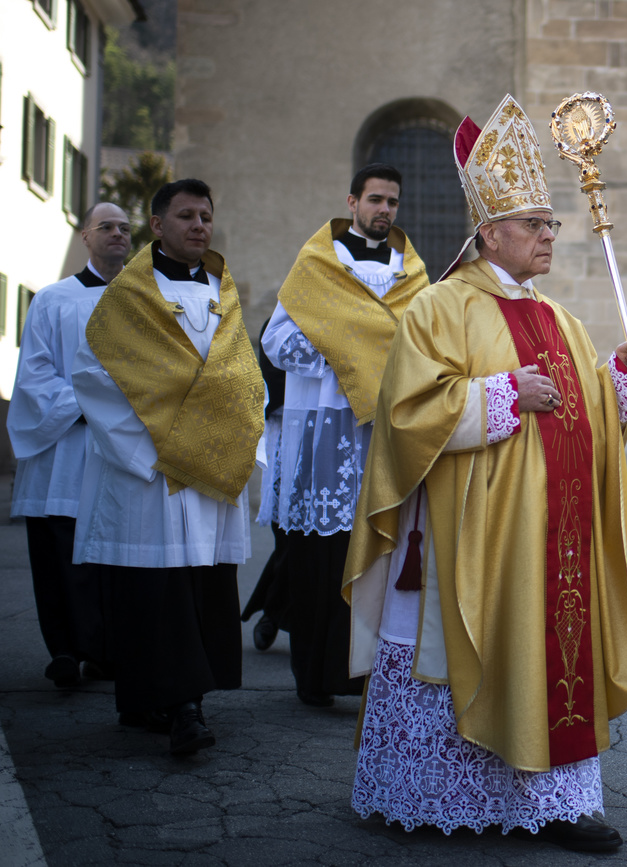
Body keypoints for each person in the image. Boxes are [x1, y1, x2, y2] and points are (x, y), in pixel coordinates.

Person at [344, 94, 627, 853]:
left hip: (555, 537)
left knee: (555, 654)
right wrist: (506, 393)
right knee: (470, 648)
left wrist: (617, 380)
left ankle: (558, 802)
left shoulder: (562, 318)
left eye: (551, 223)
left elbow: (587, 413)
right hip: (469, 533)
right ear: (489, 232)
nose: (549, 236)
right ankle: (425, 792)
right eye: (534, 225)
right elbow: (409, 408)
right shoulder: (440, 308)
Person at [70, 179, 264, 754]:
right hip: (155, 470)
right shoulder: (128, 298)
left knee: (199, 586)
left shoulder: (220, 291)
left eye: (206, 215)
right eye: (185, 215)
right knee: (156, 591)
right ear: (157, 225)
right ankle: (178, 705)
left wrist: (234, 432)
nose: (198, 225)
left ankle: (172, 697)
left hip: (207, 466)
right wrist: (155, 449)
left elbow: (243, 378)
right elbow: (95, 377)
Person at [261, 164, 430, 707]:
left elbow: (425, 341)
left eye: (393, 202)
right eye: (375, 199)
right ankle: (316, 675)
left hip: (385, 430)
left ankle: (369, 673)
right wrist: (349, 348)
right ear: (352, 201)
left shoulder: (413, 273)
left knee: (379, 552)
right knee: (321, 557)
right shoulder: (318, 265)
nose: (385, 210)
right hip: (325, 426)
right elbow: (276, 340)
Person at [8, 202, 130, 689]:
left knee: (112, 554)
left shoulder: (147, 300)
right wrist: (88, 407)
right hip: (65, 446)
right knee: (59, 551)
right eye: (107, 227)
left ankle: (105, 651)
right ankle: (63, 649)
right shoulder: (53, 300)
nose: (117, 234)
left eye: (125, 227)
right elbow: (34, 373)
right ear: (85, 236)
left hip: (119, 450)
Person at [240, 318, 291, 651]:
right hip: (291, 429)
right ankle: (272, 614)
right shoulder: (285, 313)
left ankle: (272, 612)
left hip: (349, 435)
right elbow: (271, 363)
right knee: (290, 536)